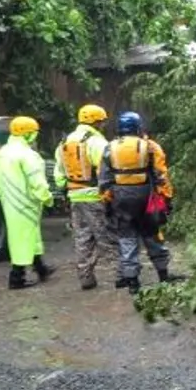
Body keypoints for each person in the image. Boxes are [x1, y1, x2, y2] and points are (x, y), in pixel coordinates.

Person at [99, 110, 176, 293]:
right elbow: (161, 174)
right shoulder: (150, 146)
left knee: (127, 239)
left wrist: (107, 201)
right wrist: (166, 198)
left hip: (121, 198)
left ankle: (133, 282)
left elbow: (103, 178)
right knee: (152, 235)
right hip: (146, 196)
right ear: (138, 127)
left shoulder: (109, 148)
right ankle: (163, 275)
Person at [0, 115, 56, 290]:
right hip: (26, 202)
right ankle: (16, 277)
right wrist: (48, 198)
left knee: (29, 235)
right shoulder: (27, 155)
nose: (35, 136)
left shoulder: (2, 152)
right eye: (34, 133)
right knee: (23, 237)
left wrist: (2, 197)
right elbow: (37, 181)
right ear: (27, 134)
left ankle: (41, 268)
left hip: (10, 202)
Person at [53, 103, 111, 290]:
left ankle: (86, 277)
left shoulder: (63, 143)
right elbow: (105, 171)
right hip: (95, 196)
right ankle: (123, 274)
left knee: (82, 238)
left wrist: (69, 190)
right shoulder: (96, 142)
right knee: (107, 236)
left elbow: (59, 176)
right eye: (102, 122)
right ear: (97, 122)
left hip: (75, 196)